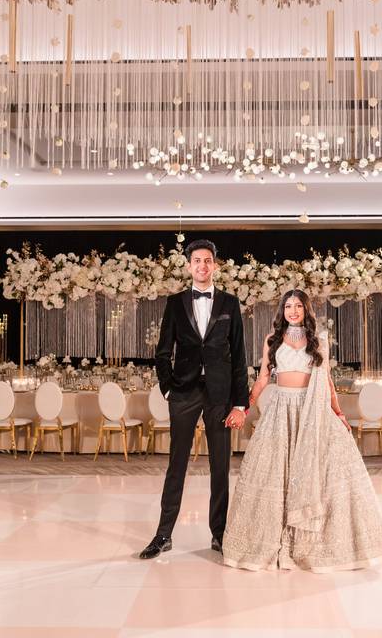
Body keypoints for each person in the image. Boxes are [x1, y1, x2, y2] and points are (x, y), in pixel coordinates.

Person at [222, 289, 382, 572]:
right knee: (274, 471)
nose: (293, 311)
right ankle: (269, 539)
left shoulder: (319, 341)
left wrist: (338, 412)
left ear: (306, 310)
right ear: (282, 310)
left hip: (311, 412)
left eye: (298, 306)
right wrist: (244, 406)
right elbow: (264, 377)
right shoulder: (272, 339)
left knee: (319, 472)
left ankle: (311, 543)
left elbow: (326, 380)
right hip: (280, 411)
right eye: (288, 306)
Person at [139, 239, 249, 559]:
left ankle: (219, 534)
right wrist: (168, 389)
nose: (202, 265)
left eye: (207, 260)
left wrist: (239, 403)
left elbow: (239, 355)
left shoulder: (230, 304)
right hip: (183, 392)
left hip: (219, 394)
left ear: (215, 265)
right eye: (197, 260)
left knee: (220, 466)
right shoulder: (174, 303)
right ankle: (163, 534)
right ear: (189, 266)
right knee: (176, 465)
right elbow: (162, 352)